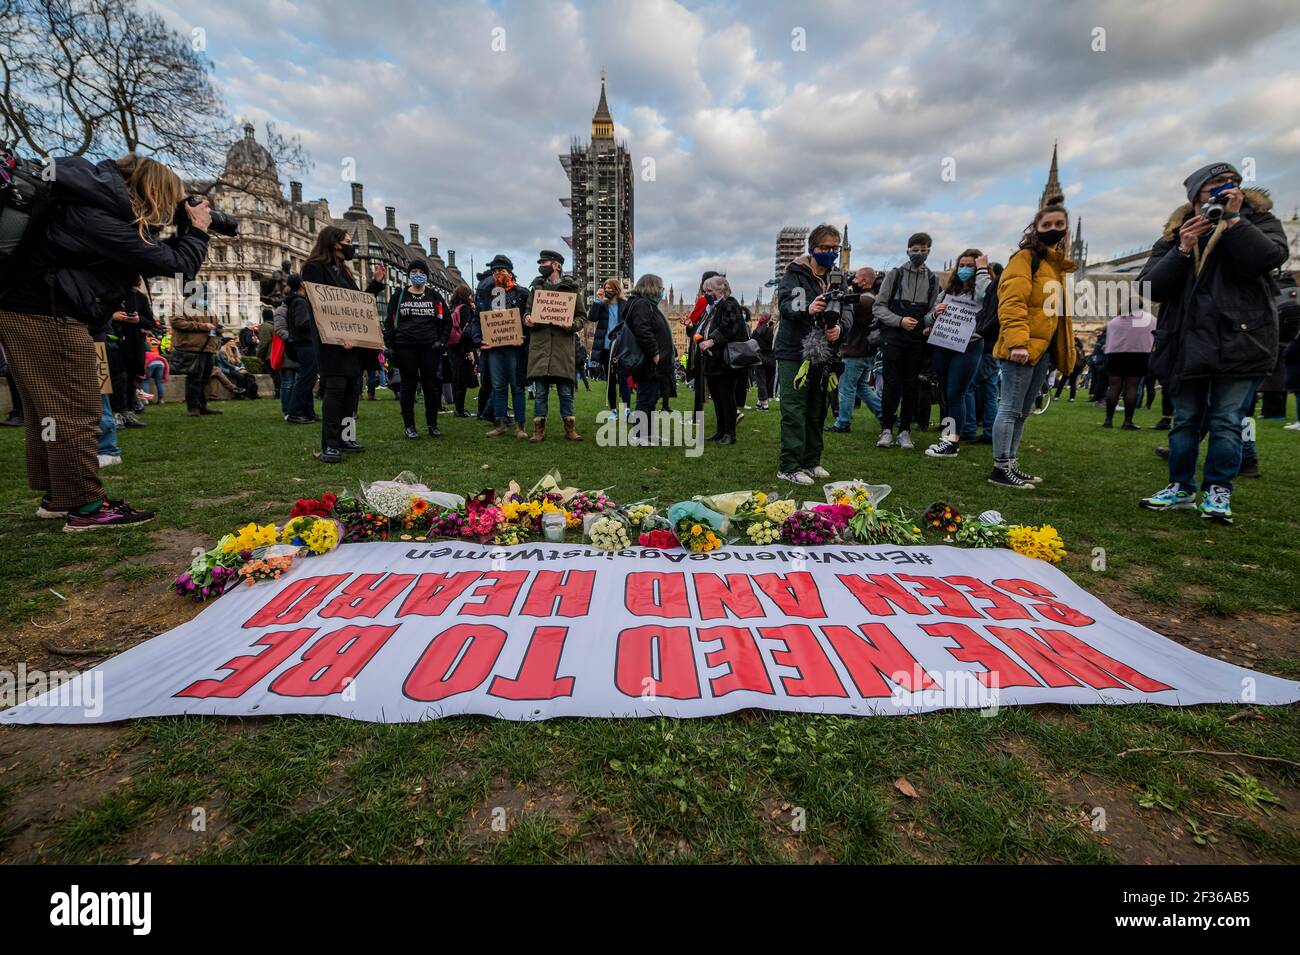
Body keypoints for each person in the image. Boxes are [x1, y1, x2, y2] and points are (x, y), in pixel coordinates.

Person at [0, 153, 209, 529]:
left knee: (47, 408)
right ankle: (86, 507)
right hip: (49, 313)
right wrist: (197, 231)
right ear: (152, 190)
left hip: (29, 308)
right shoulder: (97, 216)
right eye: (168, 199)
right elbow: (175, 265)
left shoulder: (85, 202)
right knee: (77, 407)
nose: (166, 209)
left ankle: (61, 495)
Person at [1138, 162, 1287, 523]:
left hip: (1241, 338)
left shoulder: (1259, 221)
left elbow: (1268, 258)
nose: (1225, 188)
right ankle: (1181, 487)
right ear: (1195, 197)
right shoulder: (1175, 234)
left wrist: (1235, 222)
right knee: (1185, 420)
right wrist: (1183, 248)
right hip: (1186, 342)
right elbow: (1148, 287)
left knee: (1226, 421)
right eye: (1215, 185)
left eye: (1231, 182)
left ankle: (1218, 490)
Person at [988, 204, 1077, 488]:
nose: (1053, 229)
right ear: (1035, 229)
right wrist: (1017, 342)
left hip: (1042, 350)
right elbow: (1013, 301)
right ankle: (1000, 467)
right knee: (1010, 408)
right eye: (1047, 224)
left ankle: (1011, 462)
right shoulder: (1026, 259)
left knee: (1024, 411)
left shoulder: (1054, 266)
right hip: (1022, 348)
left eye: (1059, 224)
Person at [300, 225, 387, 464]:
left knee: (351, 393)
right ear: (334, 243)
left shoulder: (345, 273)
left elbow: (357, 305)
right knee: (335, 392)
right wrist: (338, 335)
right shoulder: (313, 268)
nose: (351, 246)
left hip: (353, 344)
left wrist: (377, 284)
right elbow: (321, 306)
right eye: (348, 241)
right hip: (332, 344)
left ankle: (346, 438)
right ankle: (330, 443)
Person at [775, 224, 843, 485]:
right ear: (812, 248)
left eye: (834, 248)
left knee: (817, 408)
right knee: (794, 408)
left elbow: (844, 308)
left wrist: (839, 327)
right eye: (824, 247)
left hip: (823, 351)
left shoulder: (838, 276)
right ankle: (789, 466)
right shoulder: (795, 274)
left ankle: (811, 461)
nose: (829, 252)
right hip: (794, 349)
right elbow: (786, 305)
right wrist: (808, 308)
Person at [873, 232, 940, 449]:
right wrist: (899, 321)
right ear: (908, 250)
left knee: (911, 385)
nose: (919, 253)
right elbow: (879, 307)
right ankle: (886, 429)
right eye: (915, 249)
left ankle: (904, 431)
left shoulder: (932, 279)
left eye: (924, 249)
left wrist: (932, 320)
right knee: (891, 385)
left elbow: (929, 313)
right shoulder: (895, 275)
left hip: (916, 340)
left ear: (929, 250)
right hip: (894, 336)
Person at [924, 249, 992, 458]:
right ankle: (947, 438)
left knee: (956, 394)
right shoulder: (948, 292)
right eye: (961, 265)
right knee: (945, 393)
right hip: (943, 344)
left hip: (969, 345)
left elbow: (985, 295)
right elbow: (928, 318)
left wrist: (982, 271)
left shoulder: (982, 289)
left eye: (970, 265)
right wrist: (936, 314)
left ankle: (952, 441)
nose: (964, 269)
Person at [384, 257, 451, 439]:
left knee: (430, 386)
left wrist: (441, 341)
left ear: (427, 276)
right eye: (414, 272)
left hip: (429, 347)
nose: (418, 275)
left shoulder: (435, 296)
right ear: (408, 275)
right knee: (408, 385)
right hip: (405, 346)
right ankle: (409, 426)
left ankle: (432, 425)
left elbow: (447, 321)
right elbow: (389, 321)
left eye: (421, 273)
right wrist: (390, 344)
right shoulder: (399, 295)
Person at [524, 250, 587, 442]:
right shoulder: (536, 289)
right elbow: (527, 312)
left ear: (556, 265)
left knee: (565, 392)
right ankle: (538, 430)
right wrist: (527, 318)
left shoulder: (572, 290)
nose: (541, 265)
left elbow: (582, 317)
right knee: (540, 391)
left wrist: (573, 325)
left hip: (561, 347)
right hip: (541, 346)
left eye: (545, 262)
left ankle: (570, 429)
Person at [478, 255, 530, 439]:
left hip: (515, 349)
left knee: (517, 387)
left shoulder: (522, 293)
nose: (498, 274)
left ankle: (520, 427)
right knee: (498, 387)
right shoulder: (486, 294)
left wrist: (525, 334)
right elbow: (478, 319)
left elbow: (528, 319)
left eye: (501, 271)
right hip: (493, 348)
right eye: (494, 271)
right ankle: (500, 423)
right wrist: (479, 340)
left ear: (510, 272)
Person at [696, 275, 748, 445]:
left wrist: (712, 340)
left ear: (721, 290)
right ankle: (720, 431)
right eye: (705, 291)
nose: (706, 295)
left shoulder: (730, 303)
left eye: (709, 291)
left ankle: (730, 433)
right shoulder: (713, 308)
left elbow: (731, 326)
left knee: (726, 396)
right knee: (717, 397)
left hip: (726, 360)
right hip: (713, 360)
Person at [828, 267, 881, 433]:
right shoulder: (873, 299)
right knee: (862, 388)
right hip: (866, 352)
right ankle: (886, 414)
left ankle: (842, 422)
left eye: (856, 278)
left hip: (855, 351)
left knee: (846, 388)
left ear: (864, 281)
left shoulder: (862, 301)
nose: (853, 280)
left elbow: (842, 312)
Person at [624, 273, 674, 445]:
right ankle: (640, 436)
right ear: (651, 287)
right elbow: (643, 331)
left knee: (651, 398)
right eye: (660, 288)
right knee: (645, 398)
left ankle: (649, 434)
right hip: (647, 360)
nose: (661, 291)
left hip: (650, 361)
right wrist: (655, 354)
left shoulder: (646, 304)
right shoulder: (642, 304)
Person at [169, 287, 221, 417]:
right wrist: (202, 326)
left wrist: (219, 329)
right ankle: (193, 408)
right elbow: (177, 322)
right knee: (194, 379)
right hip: (191, 348)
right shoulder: (180, 305)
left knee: (204, 379)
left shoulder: (207, 308)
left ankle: (202, 406)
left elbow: (216, 323)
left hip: (208, 348)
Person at [1101, 309, 1156, 429]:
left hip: (1116, 353)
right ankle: (1127, 421)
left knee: (1114, 386)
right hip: (1139, 353)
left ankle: (1108, 420)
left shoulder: (1115, 321)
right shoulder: (1149, 319)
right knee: (1132, 386)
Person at [589, 278, 630, 412]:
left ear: (616, 289)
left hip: (622, 347)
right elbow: (592, 318)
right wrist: (597, 300)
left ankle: (626, 409)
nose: (607, 290)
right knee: (610, 381)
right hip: (606, 347)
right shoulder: (602, 305)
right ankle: (613, 410)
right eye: (605, 288)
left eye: (609, 288)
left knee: (624, 380)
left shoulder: (625, 304)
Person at [284, 274, 320, 424]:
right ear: (301, 285)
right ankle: (295, 412)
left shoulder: (296, 302)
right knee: (306, 379)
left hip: (302, 344)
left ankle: (308, 412)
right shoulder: (300, 302)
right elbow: (302, 323)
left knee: (308, 379)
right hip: (305, 344)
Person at [447, 284, 477, 418]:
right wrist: (469, 350)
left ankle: (458, 407)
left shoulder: (452, 307)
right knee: (462, 379)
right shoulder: (465, 309)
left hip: (452, 346)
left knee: (456, 378)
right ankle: (460, 409)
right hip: (462, 346)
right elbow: (467, 330)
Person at [271, 289, 299, 418]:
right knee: (288, 382)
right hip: (287, 350)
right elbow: (280, 329)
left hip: (294, 349)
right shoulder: (281, 311)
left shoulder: (294, 308)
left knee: (294, 382)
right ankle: (286, 410)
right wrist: (293, 340)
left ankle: (293, 409)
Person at [752, 313, 776, 410]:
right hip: (771, 358)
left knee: (761, 381)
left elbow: (752, 345)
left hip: (760, 358)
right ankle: (759, 402)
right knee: (767, 381)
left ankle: (764, 404)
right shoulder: (772, 331)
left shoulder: (755, 332)